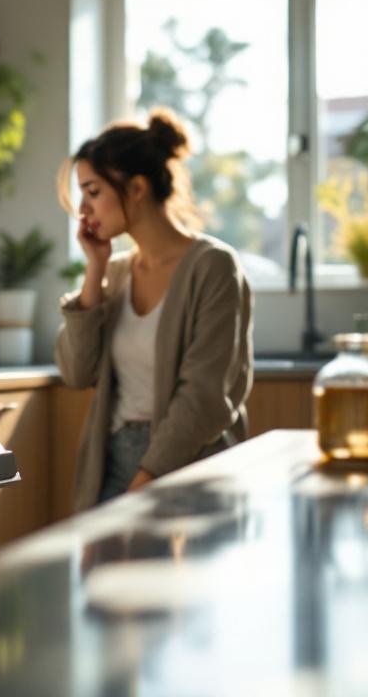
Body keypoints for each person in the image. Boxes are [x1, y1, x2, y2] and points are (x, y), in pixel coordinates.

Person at [54, 108, 253, 511]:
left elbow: (205, 396)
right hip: (110, 470)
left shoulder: (213, 266)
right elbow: (76, 372)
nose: (83, 210)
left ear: (137, 188)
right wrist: (94, 271)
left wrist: (145, 482)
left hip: (192, 467)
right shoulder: (116, 273)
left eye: (93, 192)